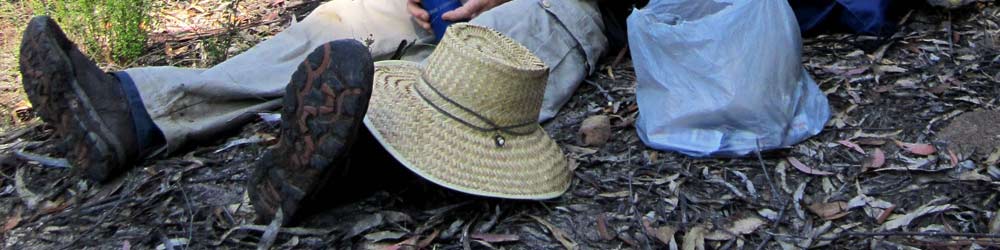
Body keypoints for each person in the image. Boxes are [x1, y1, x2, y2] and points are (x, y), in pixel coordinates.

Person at [20, 0, 632, 223]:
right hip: (434, 7)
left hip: (554, 3)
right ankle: (136, 110)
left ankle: (343, 165)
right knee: (341, 21)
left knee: (497, 55)